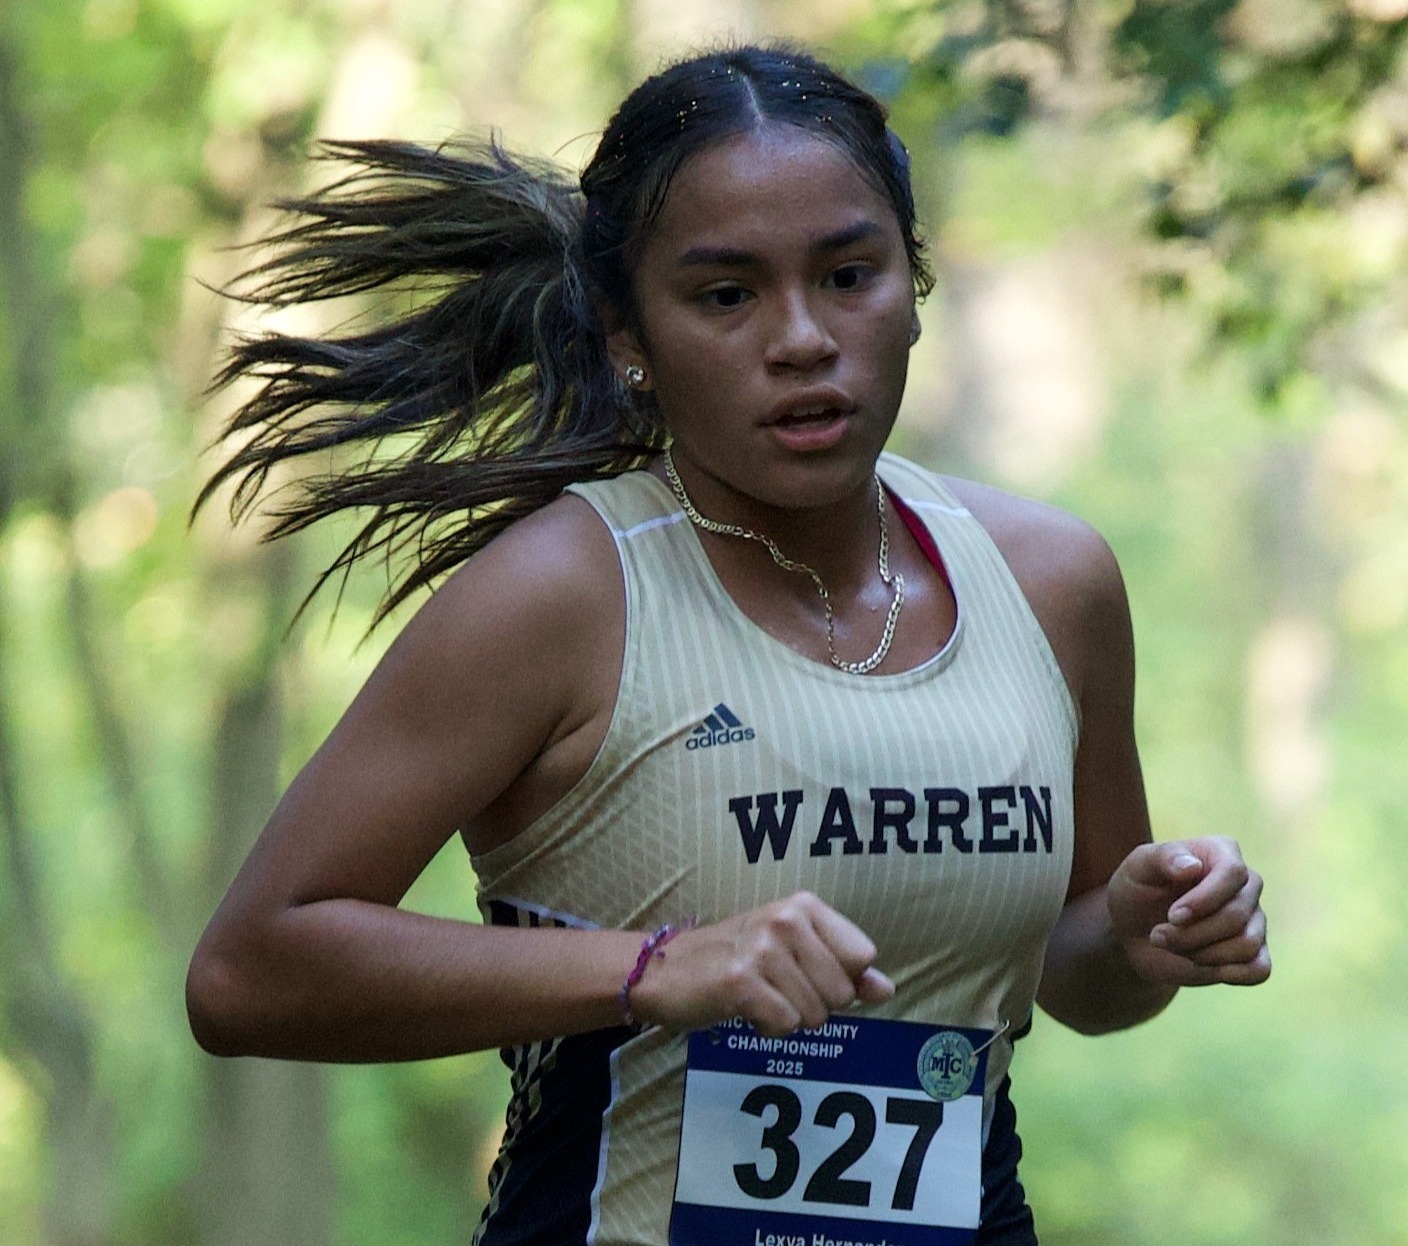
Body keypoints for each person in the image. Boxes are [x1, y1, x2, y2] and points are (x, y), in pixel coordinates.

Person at [185, 44, 1271, 1246]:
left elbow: (1081, 985)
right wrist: (652, 968)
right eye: (725, 295)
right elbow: (248, 972)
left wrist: (1137, 931)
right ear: (624, 336)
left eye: (849, 274)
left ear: (912, 286)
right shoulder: (563, 595)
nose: (802, 338)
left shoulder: (1051, 581)